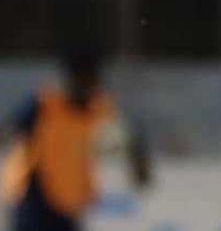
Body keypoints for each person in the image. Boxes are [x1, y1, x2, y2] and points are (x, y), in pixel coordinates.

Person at [1, 51, 150, 231]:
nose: (85, 89)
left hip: (69, 201)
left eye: (90, 82)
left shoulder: (99, 108)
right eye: (80, 82)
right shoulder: (45, 105)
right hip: (33, 198)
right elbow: (10, 129)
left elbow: (128, 135)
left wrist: (138, 161)